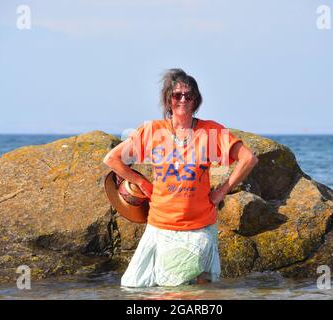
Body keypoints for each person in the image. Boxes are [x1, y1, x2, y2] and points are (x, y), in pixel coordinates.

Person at [103, 68, 258, 287]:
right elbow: (112, 159)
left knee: (180, 288)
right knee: (134, 286)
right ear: (168, 100)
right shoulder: (152, 131)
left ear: (196, 100)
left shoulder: (210, 132)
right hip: (159, 226)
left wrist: (222, 191)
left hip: (198, 228)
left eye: (188, 95)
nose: (183, 99)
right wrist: (140, 182)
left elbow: (248, 158)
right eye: (177, 95)